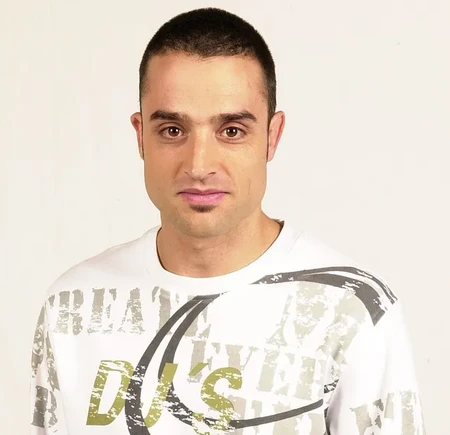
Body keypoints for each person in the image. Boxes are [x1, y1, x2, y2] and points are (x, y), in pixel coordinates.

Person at [30, 7, 426, 435]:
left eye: (232, 131)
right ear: (141, 136)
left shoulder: (352, 308)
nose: (199, 165)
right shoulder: (71, 306)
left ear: (272, 137)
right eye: (173, 130)